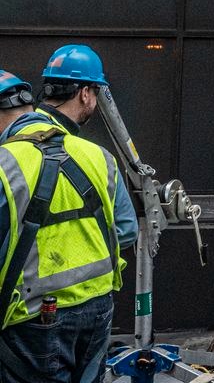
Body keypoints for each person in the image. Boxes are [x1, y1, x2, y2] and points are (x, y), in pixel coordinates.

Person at [0, 46, 138, 383]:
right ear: (88, 95)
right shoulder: (99, 157)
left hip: (31, 317)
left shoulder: (7, 164)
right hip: (97, 308)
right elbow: (125, 230)